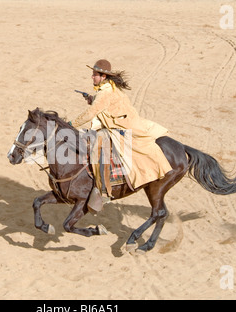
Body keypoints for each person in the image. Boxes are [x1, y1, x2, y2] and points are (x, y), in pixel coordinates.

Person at [71, 59, 172, 212]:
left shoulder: (105, 92)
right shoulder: (109, 88)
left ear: (103, 77)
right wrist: (92, 99)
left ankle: (104, 191)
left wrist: (71, 124)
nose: (92, 77)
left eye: (95, 75)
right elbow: (104, 105)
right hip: (126, 122)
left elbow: (91, 113)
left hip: (120, 127)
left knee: (97, 148)